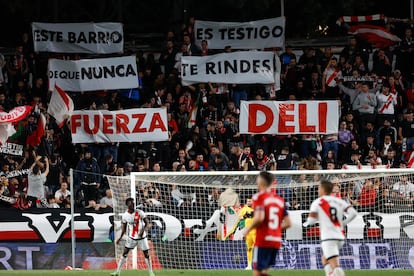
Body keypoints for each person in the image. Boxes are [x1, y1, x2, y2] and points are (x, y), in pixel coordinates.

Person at [303, 180, 358, 276]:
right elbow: (353, 213)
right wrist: (343, 223)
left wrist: (307, 222)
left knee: (335, 266)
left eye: (319, 188)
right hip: (340, 236)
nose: (318, 190)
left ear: (323, 189)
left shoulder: (318, 202)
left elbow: (311, 221)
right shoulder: (339, 201)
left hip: (329, 237)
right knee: (325, 259)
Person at [243, 172, 291, 276]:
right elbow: (288, 223)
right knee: (264, 271)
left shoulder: (259, 197)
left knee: (257, 272)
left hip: (263, 240)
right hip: (275, 240)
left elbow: (259, 218)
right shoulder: (280, 200)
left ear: (261, 182)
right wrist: (274, 229)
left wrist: (247, 229)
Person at [111, 197, 154, 276]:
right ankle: (117, 272)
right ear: (128, 205)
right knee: (125, 253)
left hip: (142, 238)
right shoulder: (125, 216)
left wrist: (142, 230)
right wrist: (119, 238)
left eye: (134, 203)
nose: (133, 205)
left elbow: (147, 223)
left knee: (146, 254)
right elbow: (124, 229)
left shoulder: (140, 212)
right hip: (131, 238)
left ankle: (151, 272)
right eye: (132, 204)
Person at [239, 198, 255, 270]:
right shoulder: (244, 209)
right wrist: (246, 216)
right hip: (248, 232)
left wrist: (252, 214)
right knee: (249, 248)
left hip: (256, 231)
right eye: (247, 201)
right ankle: (249, 265)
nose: (248, 202)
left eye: (250, 201)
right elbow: (240, 218)